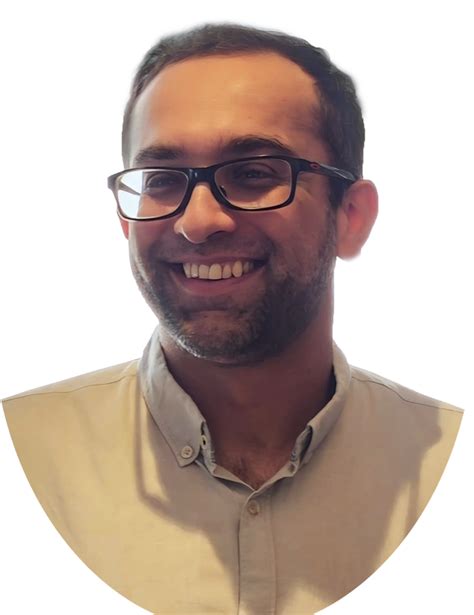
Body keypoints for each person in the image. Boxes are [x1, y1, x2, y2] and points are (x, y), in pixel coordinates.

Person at [2, 23, 463, 615]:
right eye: (161, 180)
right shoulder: (20, 457)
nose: (197, 222)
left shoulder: (452, 466)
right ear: (125, 218)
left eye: (253, 173)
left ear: (351, 215)